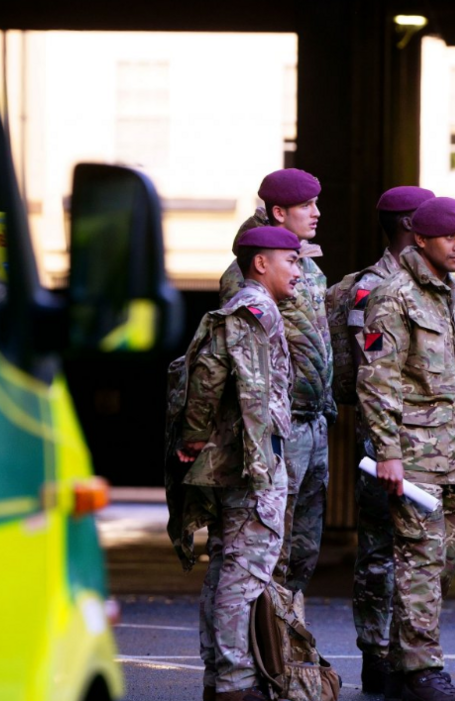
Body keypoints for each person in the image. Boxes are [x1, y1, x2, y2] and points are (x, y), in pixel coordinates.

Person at [357, 196, 455, 701]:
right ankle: (421, 672)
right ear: (423, 239)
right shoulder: (394, 297)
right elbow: (377, 380)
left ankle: (398, 663)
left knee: (441, 566)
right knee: (418, 562)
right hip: (414, 456)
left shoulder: (450, 294)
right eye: (451, 238)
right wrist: (388, 452)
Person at [175, 227, 301, 701]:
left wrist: (199, 433)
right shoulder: (255, 309)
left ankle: (220, 679)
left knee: (227, 567)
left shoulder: (250, 307)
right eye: (289, 260)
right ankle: (234, 683)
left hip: (240, 460)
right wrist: (196, 431)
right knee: (243, 575)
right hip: (255, 464)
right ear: (260, 264)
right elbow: (211, 373)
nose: (297, 269)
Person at [326, 185, 435, 693]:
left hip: (413, 438)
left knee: (403, 550)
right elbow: (364, 374)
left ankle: (393, 655)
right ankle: (379, 654)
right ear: (413, 228)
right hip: (388, 437)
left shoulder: (365, 286)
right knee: (383, 548)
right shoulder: (377, 289)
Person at [220, 168, 333, 593]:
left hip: (312, 420)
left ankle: (289, 637)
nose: (316, 213)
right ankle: (269, 648)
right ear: (279, 212)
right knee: (272, 546)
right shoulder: (247, 272)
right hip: (278, 427)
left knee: (304, 547)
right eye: (307, 206)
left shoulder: (306, 261)